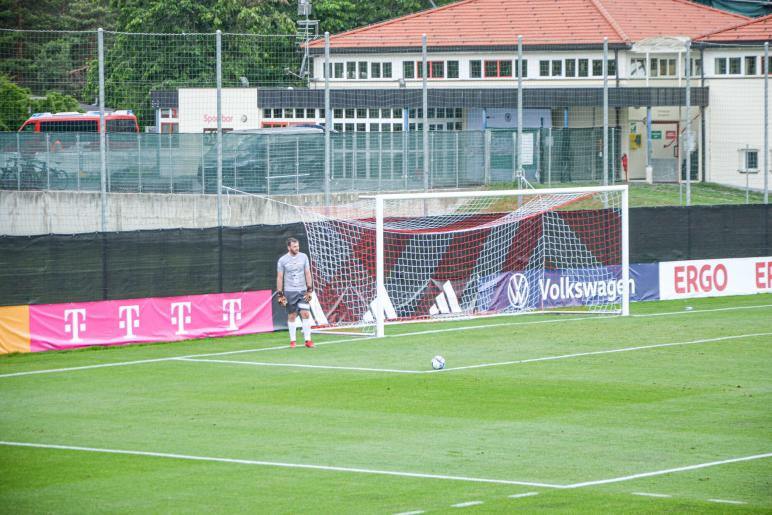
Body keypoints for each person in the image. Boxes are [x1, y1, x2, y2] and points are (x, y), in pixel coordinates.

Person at [276, 237, 314, 348]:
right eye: (294, 246)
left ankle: (308, 340)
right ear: (289, 247)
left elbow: (307, 273)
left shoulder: (304, 257)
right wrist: (280, 293)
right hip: (289, 291)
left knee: (305, 314)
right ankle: (293, 341)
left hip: (302, 291)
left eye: (297, 246)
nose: (297, 248)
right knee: (292, 315)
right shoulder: (282, 260)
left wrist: (310, 289)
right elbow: (279, 277)